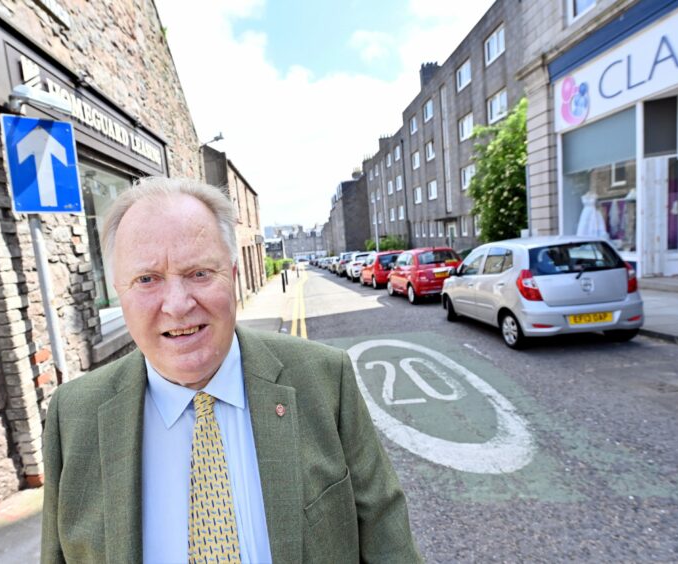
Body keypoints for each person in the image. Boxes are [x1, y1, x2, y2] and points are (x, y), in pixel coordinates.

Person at [40, 177, 421, 563]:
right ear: (119, 290)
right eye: (147, 279)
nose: (177, 304)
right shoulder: (72, 417)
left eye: (199, 273)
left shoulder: (324, 379)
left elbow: (387, 538)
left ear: (233, 277)